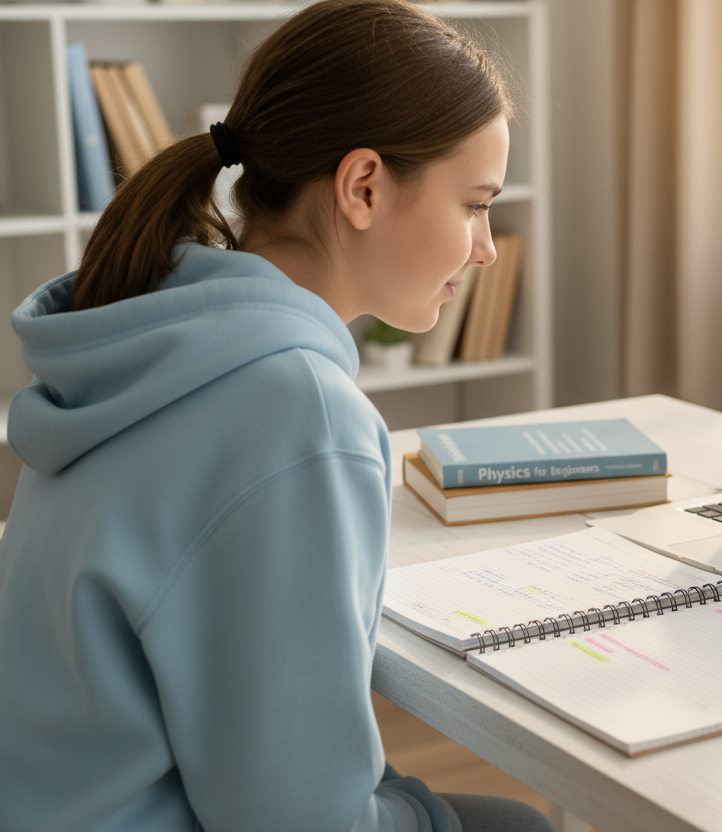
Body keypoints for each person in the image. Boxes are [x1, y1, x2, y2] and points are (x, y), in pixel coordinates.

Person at [0, 2, 555, 831]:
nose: (486, 247)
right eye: (474, 204)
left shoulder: (157, 325)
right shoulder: (297, 409)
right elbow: (297, 817)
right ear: (362, 186)